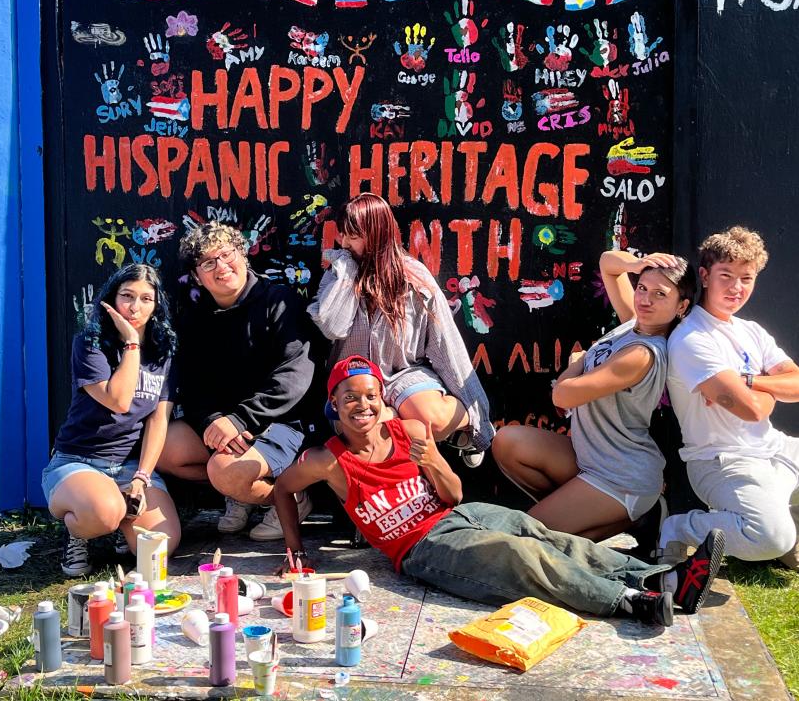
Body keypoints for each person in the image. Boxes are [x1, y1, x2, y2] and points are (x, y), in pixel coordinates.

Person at [273, 355, 724, 626]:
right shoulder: (326, 459)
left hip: (456, 516)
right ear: (333, 403)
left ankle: (664, 579)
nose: (362, 405)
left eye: (370, 395)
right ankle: (631, 603)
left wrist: (430, 460)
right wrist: (296, 552)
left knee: (544, 536)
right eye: (349, 397)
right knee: (520, 556)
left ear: (383, 399)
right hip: (421, 548)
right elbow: (281, 490)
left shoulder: (409, 429)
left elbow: (451, 496)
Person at [492, 251, 696, 542]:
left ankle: (627, 514)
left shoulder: (642, 353)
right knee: (507, 443)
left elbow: (563, 396)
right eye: (641, 288)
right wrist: (635, 265)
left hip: (621, 476)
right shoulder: (633, 323)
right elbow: (607, 263)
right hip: (590, 457)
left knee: (522, 537)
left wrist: (579, 361)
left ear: (681, 306)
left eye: (660, 294)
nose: (645, 300)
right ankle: (591, 515)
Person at [308, 193, 494, 467]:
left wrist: (481, 422)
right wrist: (347, 271)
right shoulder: (338, 273)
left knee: (432, 420)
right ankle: (394, 421)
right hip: (356, 379)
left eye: (353, 236)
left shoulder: (413, 276)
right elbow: (332, 326)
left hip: (405, 373)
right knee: (366, 432)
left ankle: (460, 432)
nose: (344, 243)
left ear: (377, 233)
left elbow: (446, 345)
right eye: (343, 235)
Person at [156, 223, 315, 540]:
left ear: (243, 255)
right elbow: (194, 386)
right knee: (161, 448)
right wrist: (215, 423)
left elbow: (296, 375)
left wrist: (242, 418)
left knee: (224, 471)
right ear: (198, 276)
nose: (221, 267)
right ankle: (243, 494)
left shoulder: (278, 301)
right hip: (227, 427)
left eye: (227, 255)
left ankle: (291, 500)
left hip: (279, 424)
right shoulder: (196, 318)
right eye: (208, 263)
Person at [657, 226, 799, 569]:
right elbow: (751, 410)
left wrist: (746, 380)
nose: (737, 288)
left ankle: (790, 529)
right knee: (768, 536)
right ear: (705, 276)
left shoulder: (751, 331)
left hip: (773, 448)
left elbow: (796, 382)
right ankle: (677, 528)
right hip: (722, 461)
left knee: (779, 530)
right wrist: (767, 386)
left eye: (746, 278)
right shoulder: (691, 338)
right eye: (727, 275)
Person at [42, 265, 180, 577]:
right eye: (127, 296)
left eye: (146, 299)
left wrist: (142, 478)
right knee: (104, 512)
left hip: (129, 466)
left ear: (157, 305)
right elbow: (117, 401)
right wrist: (132, 343)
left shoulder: (163, 352)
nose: (135, 307)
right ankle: (79, 529)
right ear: (111, 300)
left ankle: (120, 516)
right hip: (78, 461)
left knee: (161, 545)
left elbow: (160, 420)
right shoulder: (91, 343)